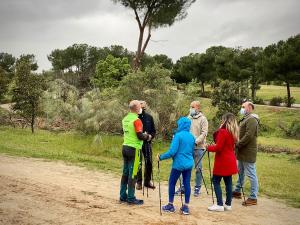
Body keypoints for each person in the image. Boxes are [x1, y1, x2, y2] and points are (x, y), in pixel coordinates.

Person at [157, 117, 195, 215]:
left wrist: (161, 157)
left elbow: (172, 152)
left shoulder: (178, 136)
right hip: (189, 164)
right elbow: (192, 151)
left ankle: (170, 205)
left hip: (178, 164)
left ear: (181, 125)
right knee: (187, 184)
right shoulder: (192, 136)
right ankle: (186, 207)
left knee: (172, 182)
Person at [119, 100, 151, 205]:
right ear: (137, 108)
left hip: (125, 147)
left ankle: (122, 195)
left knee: (125, 173)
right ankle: (131, 198)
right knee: (133, 174)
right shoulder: (137, 120)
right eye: (140, 106)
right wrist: (147, 136)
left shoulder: (125, 119)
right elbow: (139, 135)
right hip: (134, 149)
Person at [207, 113, 239, 212]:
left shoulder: (223, 131)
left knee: (215, 181)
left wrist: (207, 147)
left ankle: (219, 204)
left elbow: (218, 147)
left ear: (225, 120)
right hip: (231, 160)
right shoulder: (233, 132)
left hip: (223, 160)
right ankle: (228, 204)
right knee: (228, 182)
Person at [175, 101, 208, 197]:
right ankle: (183, 187)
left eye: (193, 107)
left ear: (198, 107)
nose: (191, 108)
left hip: (198, 147)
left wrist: (196, 141)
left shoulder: (203, 119)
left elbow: (204, 133)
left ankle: (197, 187)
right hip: (187, 148)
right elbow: (183, 130)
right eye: (190, 107)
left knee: (198, 168)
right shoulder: (188, 118)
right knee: (184, 166)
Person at [233, 101, 259, 206]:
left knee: (251, 174)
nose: (242, 108)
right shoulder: (246, 118)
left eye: (243, 107)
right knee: (240, 171)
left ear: (249, 107)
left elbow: (249, 135)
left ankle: (253, 197)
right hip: (242, 151)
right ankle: (237, 191)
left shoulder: (252, 119)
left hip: (248, 151)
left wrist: (238, 144)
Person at [136, 101, 156, 190]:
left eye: (143, 104)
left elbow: (153, 131)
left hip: (147, 143)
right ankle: (138, 182)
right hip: (137, 143)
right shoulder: (135, 117)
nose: (142, 106)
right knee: (138, 162)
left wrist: (150, 136)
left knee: (149, 162)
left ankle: (147, 181)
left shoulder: (149, 117)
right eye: (140, 104)